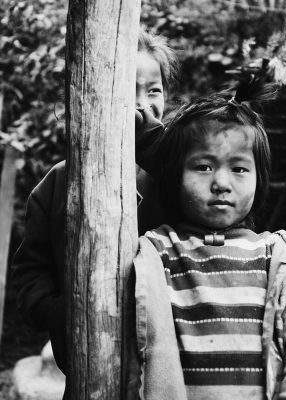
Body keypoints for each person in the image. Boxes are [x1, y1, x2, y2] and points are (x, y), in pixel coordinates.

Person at [12, 29, 179, 375]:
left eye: (153, 91)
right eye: (126, 90)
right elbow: (30, 278)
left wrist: (159, 157)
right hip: (89, 369)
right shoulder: (57, 183)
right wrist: (63, 313)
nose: (142, 104)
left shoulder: (180, 175)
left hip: (171, 370)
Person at [133, 79, 286, 400]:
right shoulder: (156, 253)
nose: (221, 183)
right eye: (204, 166)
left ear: (259, 179)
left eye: (239, 169)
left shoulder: (281, 258)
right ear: (175, 179)